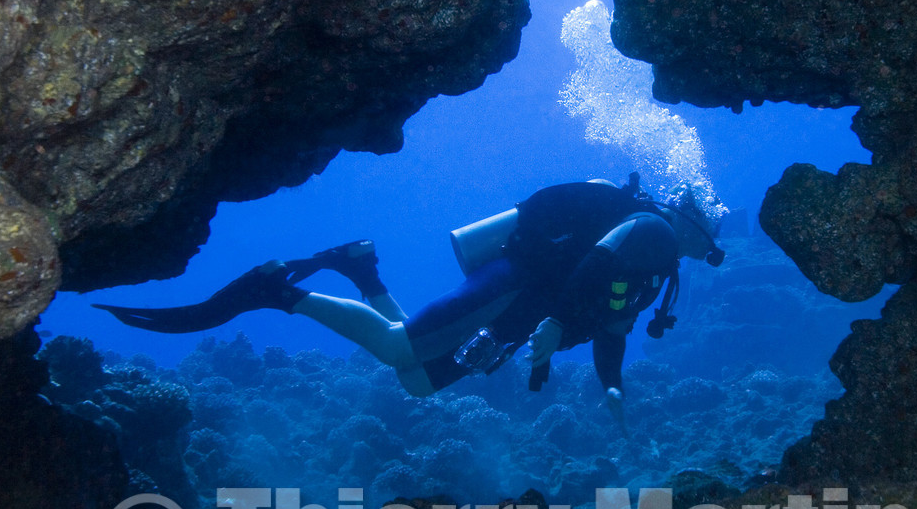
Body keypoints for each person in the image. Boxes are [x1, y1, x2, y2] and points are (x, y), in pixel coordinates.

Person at [96, 176, 726, 426]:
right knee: (400, 349)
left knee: (418, 381)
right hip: (516, 287)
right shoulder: (657, 233)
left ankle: (361, 269)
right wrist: (558, 322)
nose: (713, 243)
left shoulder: (660, 270)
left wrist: (610, 383)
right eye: (712, 230)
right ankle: (278, 292)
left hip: (524, 318)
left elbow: (614, 322)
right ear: (691, 220)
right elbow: (592, 262)